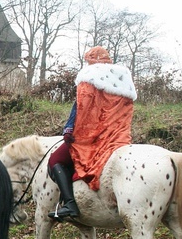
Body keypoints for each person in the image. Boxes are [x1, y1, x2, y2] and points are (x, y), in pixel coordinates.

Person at [47, 46, 136, 220]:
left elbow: (83, 109)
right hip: (119, 138)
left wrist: (70, 130)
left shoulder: (89, 78)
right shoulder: (124, 81)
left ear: (92, 60)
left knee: (55, 160)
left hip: (93, 139)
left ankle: (70, 204)